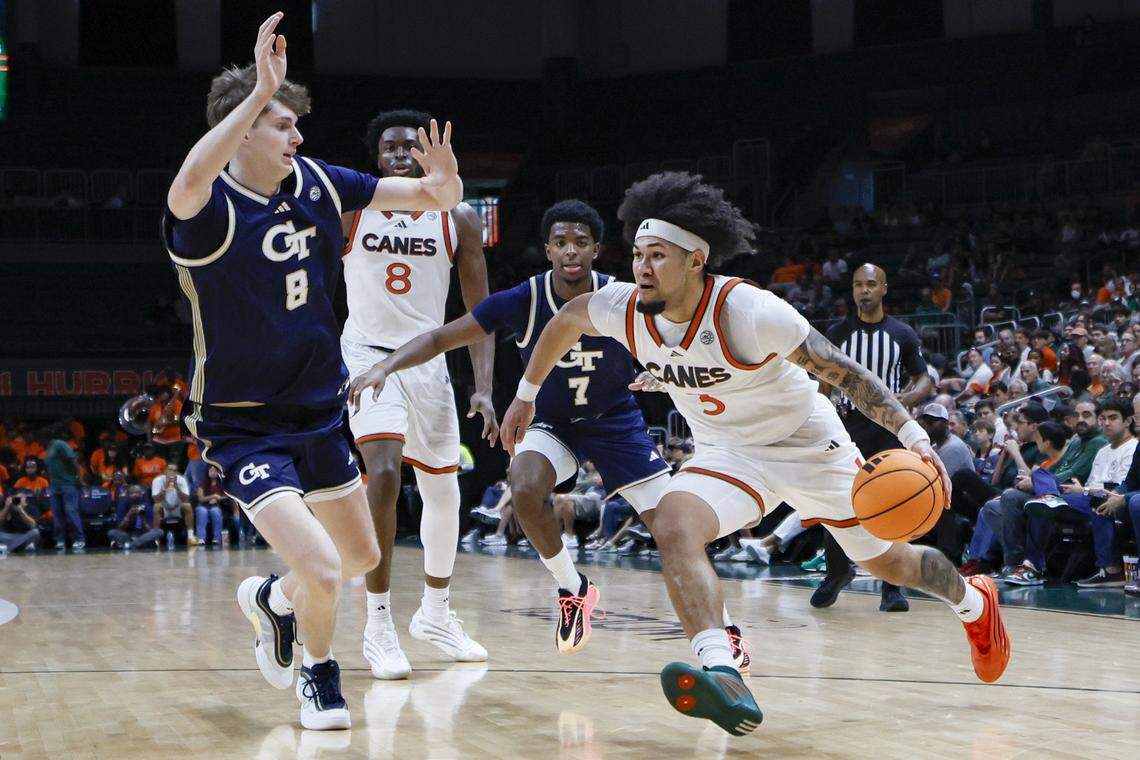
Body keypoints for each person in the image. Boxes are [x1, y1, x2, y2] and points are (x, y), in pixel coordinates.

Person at [500, 172, 1009, 736]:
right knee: (673, 524)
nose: (642, 267)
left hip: (807, 446)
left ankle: (973, 602)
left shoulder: (748, 311)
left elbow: (847, 374)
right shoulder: (621, 307)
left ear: (695, 261)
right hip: (728, 452)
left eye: (658, 256)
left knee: (887, 562)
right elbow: (565, 322)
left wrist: (914, 437)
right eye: (639, 255)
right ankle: (722, 670)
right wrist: (526, 395)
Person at [161, 11, 459, 731]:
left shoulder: (319, 182)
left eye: (296, 124)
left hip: (320, 411)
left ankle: (273, 599)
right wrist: (257, 89)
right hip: (244, 424)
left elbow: (430, 200)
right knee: (324, 566)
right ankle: (319, 677)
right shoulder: (206, 210)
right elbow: (188, 178)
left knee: (357, 555)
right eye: (281, 124)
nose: (297, 137)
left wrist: (447, 185)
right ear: (241, 130)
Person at [349, 199, 748, 668]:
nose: (570, 250)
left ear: (596, 249)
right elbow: (441, 337)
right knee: (523, 484)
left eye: (580, 242)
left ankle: (725, 628)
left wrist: (662, 371)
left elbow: (678, 338)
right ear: (548, 250)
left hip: (614, 423)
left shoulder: (625, 296)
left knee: (674, 530)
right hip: (551, 422)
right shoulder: (525, 298)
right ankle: (572, 588)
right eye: (560, 242)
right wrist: (386, 366)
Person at [341, 108, 493, 678]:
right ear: (377, 158)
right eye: (390, 147)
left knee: (444, 493)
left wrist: (483, 388)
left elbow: (480, 313)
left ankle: (436, 613)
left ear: (431, 154)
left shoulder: (459, 218)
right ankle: (378, 623)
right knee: (382, 473)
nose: (401, 154)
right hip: (367, 356)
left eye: (411, 146)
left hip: (428, 361)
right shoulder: (353, 211)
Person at [813, 263, 932, 611]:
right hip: (847, 427)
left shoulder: (902, 333)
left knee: (896, 502)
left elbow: (923, 379)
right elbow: (823, 384)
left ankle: (893, 587)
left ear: (883, 289)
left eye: (870, 284)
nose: (863, 290)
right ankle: (837, 572)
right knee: (836, 500)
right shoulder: (837, 333)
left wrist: (903, 400)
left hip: (889, 430)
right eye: (857, 285)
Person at [1025, 396, 1137, 587]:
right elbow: (1092, 482)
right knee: (1040, 479)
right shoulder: (1102, 451)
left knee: (1092, 502)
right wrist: (1080, 489)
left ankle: (1110, 570)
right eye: (1103, 418)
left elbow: (1116, 491)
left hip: (1106, 500)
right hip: (1085, 496)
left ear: (1127, 421)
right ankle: (1032, 566)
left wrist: (1083, 489)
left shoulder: (1133, 448)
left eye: (1113, 418)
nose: (1106, 423)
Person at [44, 422, 84, 551]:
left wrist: (79, 477)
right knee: (57, 514)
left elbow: (73, 460)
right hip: (54, 486)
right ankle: (60, 540)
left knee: (71, 512)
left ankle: (79, 539)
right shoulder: (48, 448)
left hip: (68, 484)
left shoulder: (60, 444)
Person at [151, 462, 201, 545]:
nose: (172, 472)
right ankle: (156, 538)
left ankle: (190, 536)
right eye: (170, 470)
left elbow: (186, 499)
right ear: (165, 471)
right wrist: (165, 487)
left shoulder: (182, 480)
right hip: (164, 508)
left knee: (187, 506)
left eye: (174, 470)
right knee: (156, 506)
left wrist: (177, 487)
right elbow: (156, 500)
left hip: (178, 508)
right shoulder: (157, 480)